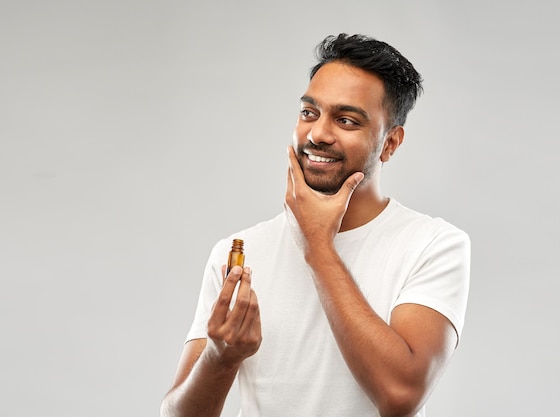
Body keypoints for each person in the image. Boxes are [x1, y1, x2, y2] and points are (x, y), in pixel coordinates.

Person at [160, 33, 470, 417]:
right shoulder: (238, 253)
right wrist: (220, 358)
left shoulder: (433, 244)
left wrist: (318, 247)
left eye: (346, 120)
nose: (318, 134)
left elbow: (400, 395)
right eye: (309, 113)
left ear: (390, 143)